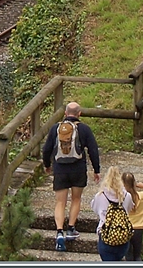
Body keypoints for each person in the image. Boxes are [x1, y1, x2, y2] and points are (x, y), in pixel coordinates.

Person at [41, 101, 101, 250]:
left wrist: (47, 165)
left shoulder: (56, 128)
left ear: (66, 114)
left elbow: (47, 149)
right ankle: (71, 228)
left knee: (60, 202)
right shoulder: (84, 129)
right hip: (78, 169)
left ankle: (59, 232)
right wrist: (96, 169)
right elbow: (93, 150)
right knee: (76, 198)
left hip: (60, 169)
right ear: (79, 114)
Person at [90, 166, 135, 261]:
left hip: (106, 236)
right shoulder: (127, 196)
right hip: (122, 236)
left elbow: (94, 207)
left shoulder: (100, 196)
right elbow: (130, 207)